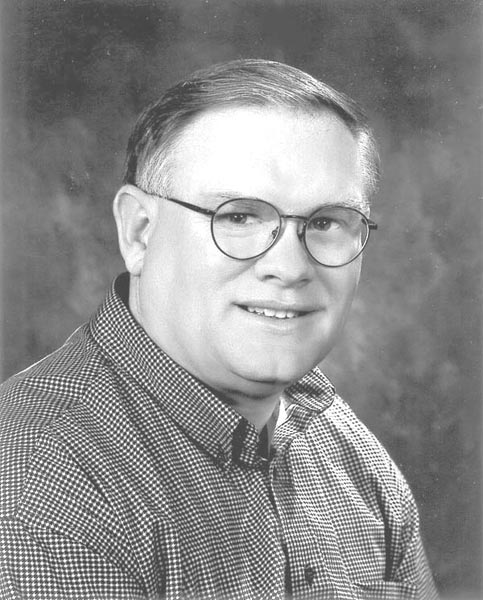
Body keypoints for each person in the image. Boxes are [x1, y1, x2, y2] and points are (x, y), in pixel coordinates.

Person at [0, 59, 438, 599]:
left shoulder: (358, 465)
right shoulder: (40, 490)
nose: (290, 268)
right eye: (239, 216)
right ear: (139, 232)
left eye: (325, 222)